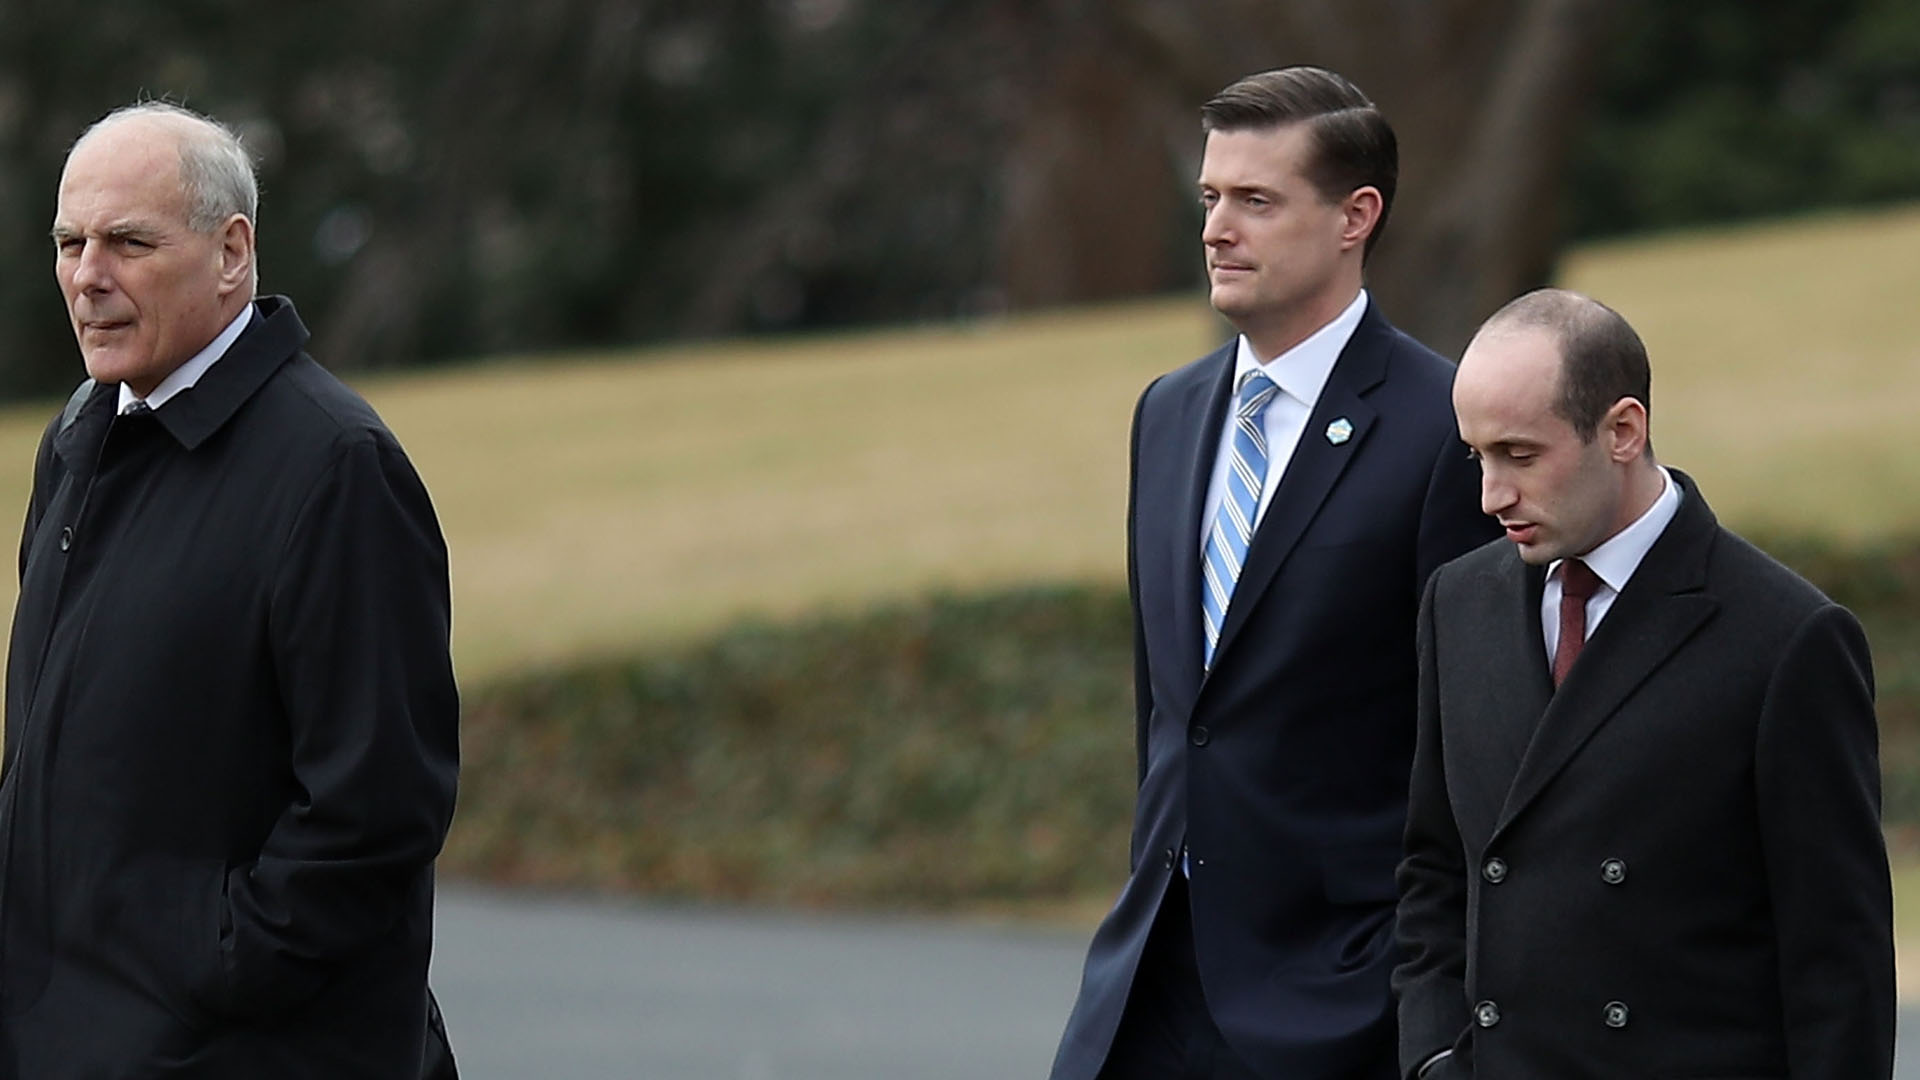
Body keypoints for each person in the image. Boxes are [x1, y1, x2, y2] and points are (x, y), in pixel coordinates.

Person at [1049, 66, 1496, 1080]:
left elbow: (1473, 741)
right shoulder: (1165, 414)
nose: (1216, 228)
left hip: (1336, 999)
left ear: (1356, 217)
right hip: (1145, 988)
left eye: (1256, 201)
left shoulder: (1448, 429)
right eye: (1210, 197)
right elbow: (1167, 710)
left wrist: (1420, 992)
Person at [0, 102, 460, 1077]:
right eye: (70, 243)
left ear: (231, 251)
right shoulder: (79, 438)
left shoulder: (335, 467)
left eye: (128, 242)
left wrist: (209, 969)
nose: (89, 277)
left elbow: (375, 813)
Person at [1394, 288, 1894, 1079]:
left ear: (1623, 430)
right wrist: (1430, 1057)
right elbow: (1434, 872)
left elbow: (1837, 963)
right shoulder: (1456, 604)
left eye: (1520, 455)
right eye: (1477, 457)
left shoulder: (1786, 637)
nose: (1491, 496)